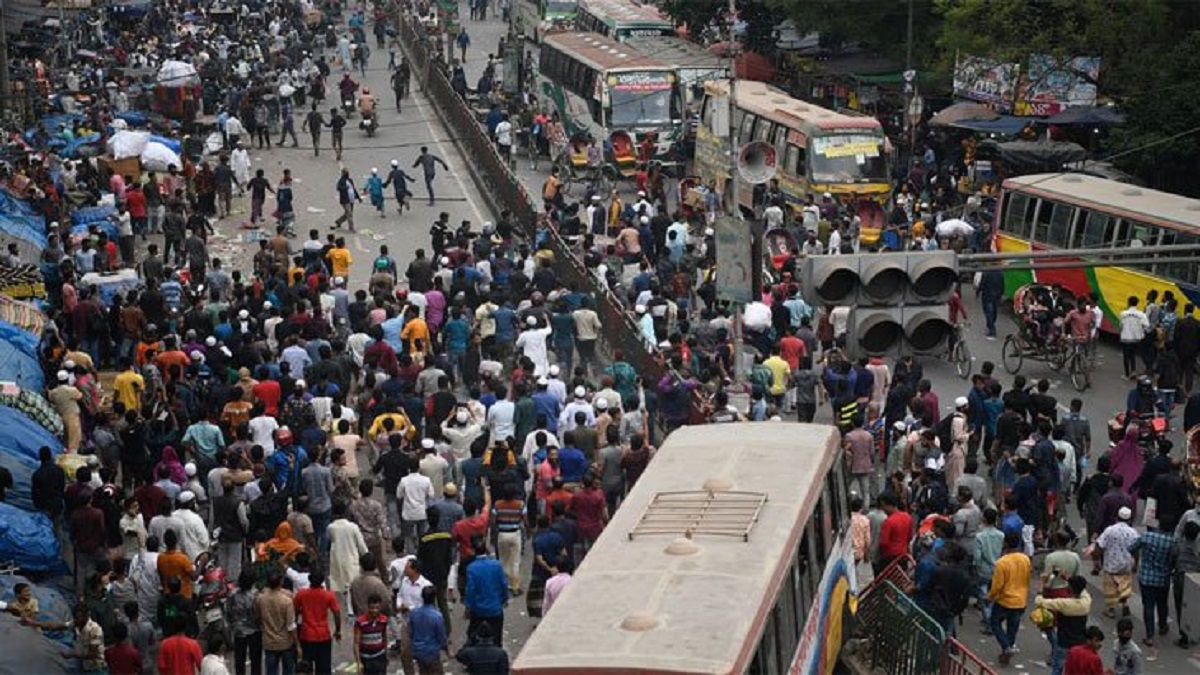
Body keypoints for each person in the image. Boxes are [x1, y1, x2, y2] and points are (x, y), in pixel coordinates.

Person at [988, 531, 1031, 665]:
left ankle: (1006, 647)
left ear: (1005, 543)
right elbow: (1027, 578)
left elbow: (997, 585)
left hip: (1005, 600)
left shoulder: (1002, 562)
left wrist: (990, 597)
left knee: (995, 623)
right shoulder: (1025, 559)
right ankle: (1008, 647)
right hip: (1020, 599)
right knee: (1013, 627)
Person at [293, 570, 341, 675]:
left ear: (310, 580)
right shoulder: (329, 595)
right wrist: (338, 630)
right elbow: (337, 613)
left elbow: (295, 611)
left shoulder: (301, 594)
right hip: (323, 635)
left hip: (306, 634)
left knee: (306, 667)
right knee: (324, 668)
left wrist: (296, 625)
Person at [464, 538, 508, 643]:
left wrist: (468, 607)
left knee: (474, 637)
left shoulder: (471, 568)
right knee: (497, 638)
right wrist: (504, 599)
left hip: (478, 610)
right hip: (495, 608)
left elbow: (470, 590)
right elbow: (503, 584)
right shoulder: (496, 565)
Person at [256, 572, 297, 675]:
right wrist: (297, 644)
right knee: (288, 670)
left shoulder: (260, 599)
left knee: (271, 671)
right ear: (280, 583)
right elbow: (291, 626)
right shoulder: (287, 601)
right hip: (285, 642)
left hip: (269, 642)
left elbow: (257, 618)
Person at [409, 585, 449, 674]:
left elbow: (411, 632)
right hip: (432, 652)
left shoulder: (414, 613)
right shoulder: (437, 616)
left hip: (418, 650)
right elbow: (442, 636)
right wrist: (447, 649)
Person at [353, 594, 390, 675]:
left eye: (377, 608)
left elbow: (385, 637)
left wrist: (386, 654)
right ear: (368, 607)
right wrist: (359, 662)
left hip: (380, 656)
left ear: (380, 608)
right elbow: (356, 643)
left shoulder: (383, 620)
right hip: (366, 658)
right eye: (372, 608)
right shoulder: (360, 622)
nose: (374, 610)